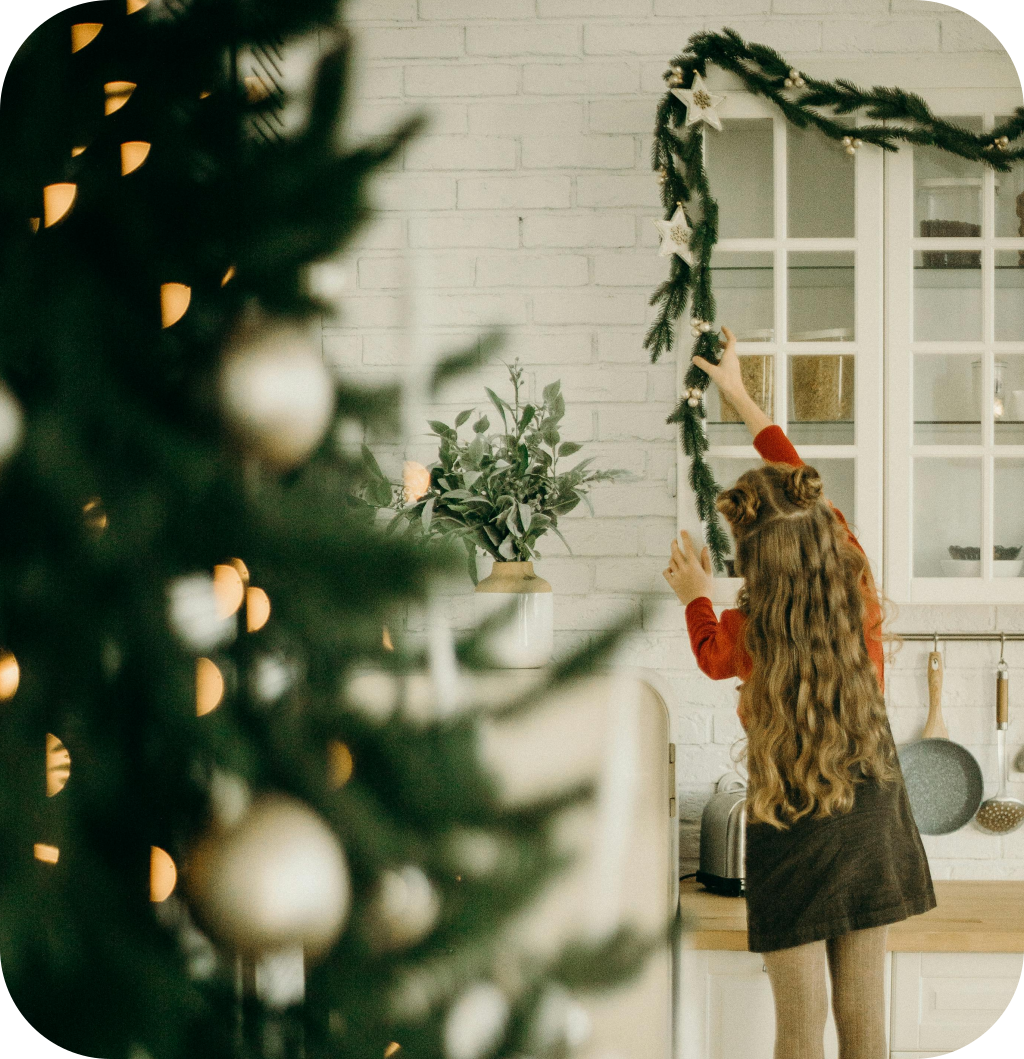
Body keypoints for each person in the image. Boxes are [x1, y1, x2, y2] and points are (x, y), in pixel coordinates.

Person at [663, 327, 935, 1059]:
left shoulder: (749, 629)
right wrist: (744, 398)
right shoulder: (857, 587)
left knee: (799, 1021)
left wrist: (695, 594)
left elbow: (710, 656)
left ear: (754, 561)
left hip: (789, 818)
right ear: (821, 530)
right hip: (869, 813)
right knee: (863, 1018)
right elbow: (798, 479)